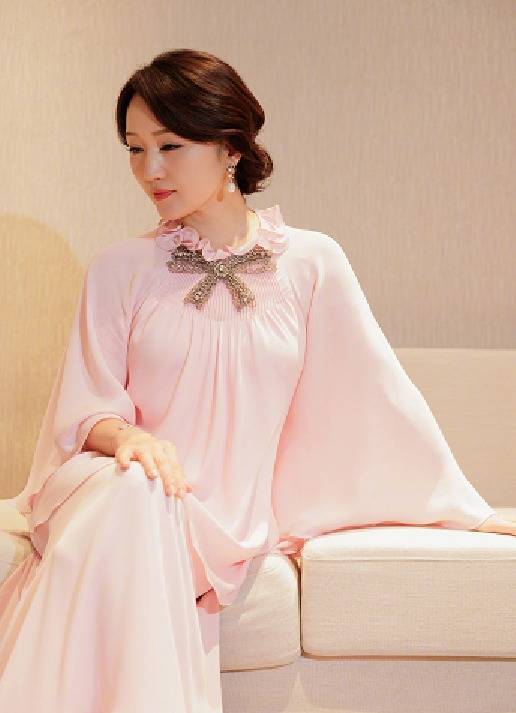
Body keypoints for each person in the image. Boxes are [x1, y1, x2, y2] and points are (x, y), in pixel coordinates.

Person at [0, 47, 514, 713]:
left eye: (170, 145)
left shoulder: (313, 264)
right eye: (134, 148)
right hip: (120, 491)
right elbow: (84, 409)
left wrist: (468, 514)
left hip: (218, 517)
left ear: (231, 147)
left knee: (142, 498)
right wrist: (130, 438)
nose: (149, 170)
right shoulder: (118, 268)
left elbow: (372, 401)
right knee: (136, 488)